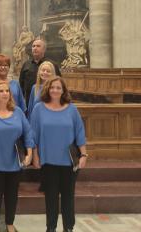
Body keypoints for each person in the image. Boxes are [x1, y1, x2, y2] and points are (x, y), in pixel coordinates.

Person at [30, 77, 87, 232]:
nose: (55, 90)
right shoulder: (38, 109)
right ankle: (51, 227)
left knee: (68, 198)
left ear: (63, 91)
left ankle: (68, 227)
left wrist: (84, 155)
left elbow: (80, 133)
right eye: (52, 87)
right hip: (48, 161)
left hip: (69, 162)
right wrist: (35, 156)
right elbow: (33, 135)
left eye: (58, 88)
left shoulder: (72, 109)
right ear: (48, 89)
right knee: (51, 198)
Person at [0, 81, 34, 232]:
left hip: (14, 161)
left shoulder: (18, 112)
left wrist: (29, 153)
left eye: (7, 91)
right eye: (1, 91)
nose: (4, 93)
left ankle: (10, 223)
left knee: (12, 195)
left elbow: (28, 133)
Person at [19, 38, 61, 105]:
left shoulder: (52, 65)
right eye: (33, 46)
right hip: (29, 102)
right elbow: (21, 84)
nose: (35, 48)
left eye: (38, 46)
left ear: (44, 49)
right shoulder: (26, 64)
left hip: (49, 102)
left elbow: (59, 83)